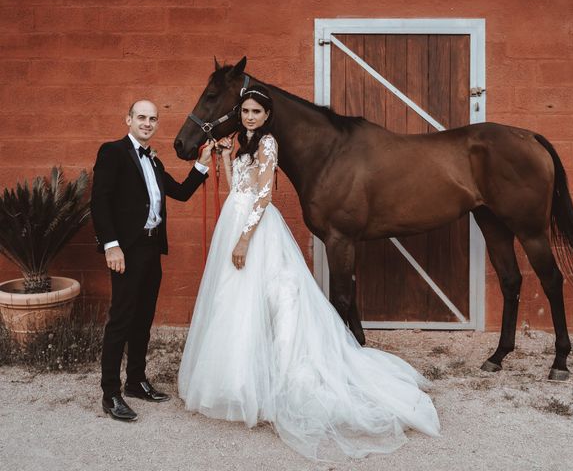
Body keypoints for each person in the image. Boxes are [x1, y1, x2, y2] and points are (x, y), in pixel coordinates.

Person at [178, 86, 440, 460]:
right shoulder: (241, 145)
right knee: (237, 299)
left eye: (256, 112)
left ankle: (280, 378)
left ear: (267, 116)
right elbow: (239, 187)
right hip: (234, 219)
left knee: (272, 295)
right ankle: (241, 377)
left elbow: (263, 195)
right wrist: (221, 158)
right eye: (246, 112)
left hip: (254, 228)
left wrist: (243, 240)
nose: (250, 116)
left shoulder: (268, 144)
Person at [91, 100, 212, 421]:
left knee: (143, 320)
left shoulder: (154, 160)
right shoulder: (112, 152)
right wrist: (111, 246)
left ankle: (135, 381)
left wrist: (202, 163)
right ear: (128, 119)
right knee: (121, 320)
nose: (147, 123)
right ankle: (110, 393)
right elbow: (99, 201)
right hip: (125, 251)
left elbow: (182, 192)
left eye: (153, 119)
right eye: (141, 117)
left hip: (150, 249)